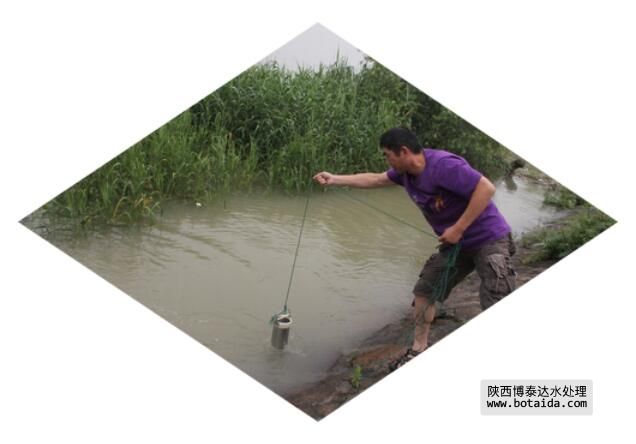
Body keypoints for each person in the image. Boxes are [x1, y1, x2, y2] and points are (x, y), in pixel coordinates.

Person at [313, 127, 516, 371]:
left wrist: (458, 228)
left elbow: (486, 188)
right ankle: (419, 348)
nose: (387, 160)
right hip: (456, 245)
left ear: (403, 151)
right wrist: (335, 179)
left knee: (496, 294)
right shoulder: (405, 174)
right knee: (425, 290)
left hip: (488, 237)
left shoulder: (443, 165)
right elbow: (376, 179)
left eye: (387, 155)